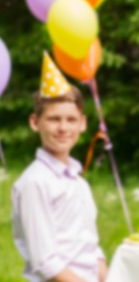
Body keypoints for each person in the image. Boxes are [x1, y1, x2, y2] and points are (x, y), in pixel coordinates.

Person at [12, 53, 107, 282]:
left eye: (71, 120)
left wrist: (105, 275)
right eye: (54, 119)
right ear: (35, 122)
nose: (63, 128)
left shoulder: (77, 180)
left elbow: (90, 244)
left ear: (82, 124)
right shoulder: (35, 182)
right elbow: (45, 262)